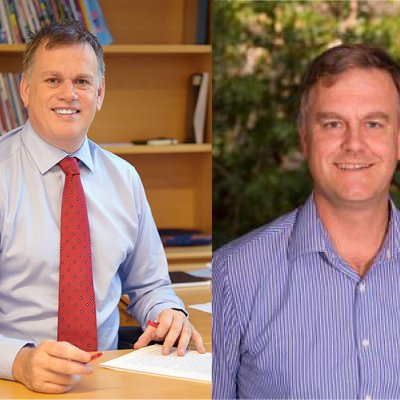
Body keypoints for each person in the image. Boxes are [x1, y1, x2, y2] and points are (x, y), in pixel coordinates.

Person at [0, 20, 205, 394]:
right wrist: (18, 361)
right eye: (52, 80)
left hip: (106, 382)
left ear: (100, 93)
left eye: (81, 81)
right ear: (26, 90)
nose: (69, 94)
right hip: (14, 384)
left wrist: (169, 313)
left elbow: (149, 285)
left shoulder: (124, 178)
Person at [213, 43, 400, 399]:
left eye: (373, 123)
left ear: (398, 139)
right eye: (333, 124)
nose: (354, 144)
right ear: (305, 138)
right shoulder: (234, 275)